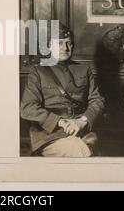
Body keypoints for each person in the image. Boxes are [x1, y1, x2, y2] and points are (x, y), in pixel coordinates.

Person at [20, 22, 105, 157]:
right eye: (59, 43)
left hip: (81, 130)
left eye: (68, 43)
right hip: (49, 134)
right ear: (49, 46)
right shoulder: (38, 71)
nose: (65, 48)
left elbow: (97, 100)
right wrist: (59, 121)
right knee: (79, 151)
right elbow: (28, 108)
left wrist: (82, 121)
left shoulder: (83, 69)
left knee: (87, 149)